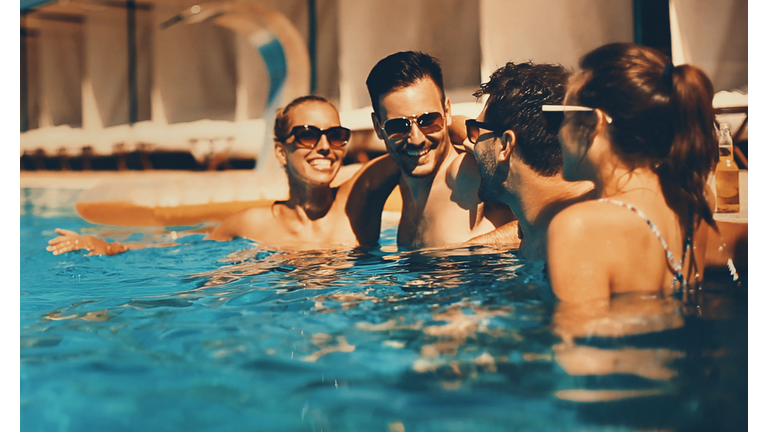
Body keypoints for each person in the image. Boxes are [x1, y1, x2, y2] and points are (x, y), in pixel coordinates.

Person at [47, 95, 400, 255]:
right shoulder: (253, 224)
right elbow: (187, 244)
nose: (325, 146)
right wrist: (110, 246)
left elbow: (425, 144)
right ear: (281, 150)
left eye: (336, 135)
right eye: (308, 135)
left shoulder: (362, 195)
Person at [545, 43, 718, 303]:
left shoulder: (579, 226)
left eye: (561, 118)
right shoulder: (694, 199)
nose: (557, 133)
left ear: (593, 124)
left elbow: (581, 341)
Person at [365, 51, 517, 248]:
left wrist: (472, 249)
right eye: (398, 126)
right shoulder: (401, 180)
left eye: (428, 120)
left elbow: (544, 215)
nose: (416, 139)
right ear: (378, 127)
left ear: (446, 111)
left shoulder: (471, 171)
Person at [462, 61, 595, 260]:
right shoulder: (539, 229)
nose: (472, 145)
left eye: (476, 132)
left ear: (505, 145)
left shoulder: (573, 241)